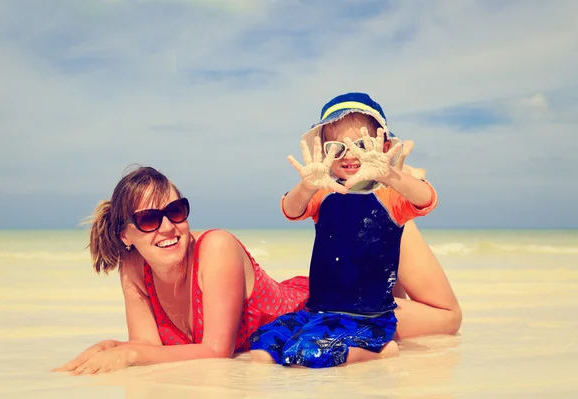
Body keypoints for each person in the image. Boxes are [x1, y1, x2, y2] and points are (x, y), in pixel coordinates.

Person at [249, 92, 443, 368]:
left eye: (361, 145)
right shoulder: (324, 191)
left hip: (369, 317)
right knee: (263, 347)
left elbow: (426, 199)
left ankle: (381, 350)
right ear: (323, 150)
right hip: (318, 312)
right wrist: (307, 186)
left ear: (384, 146)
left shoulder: (389, 195)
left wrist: (389, 175)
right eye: (336, 148)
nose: (349, 154)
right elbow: (291, 210)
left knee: (307, 354)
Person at [54, 166, 309, 375]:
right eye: (148, 219)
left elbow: (217, 351)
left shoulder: (217, 247)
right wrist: (112, 346)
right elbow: (149, 347)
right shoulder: (133, 266)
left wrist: (130, 353)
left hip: (313, 311)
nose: (167, 227)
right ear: (125, 235)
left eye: (175, 212)